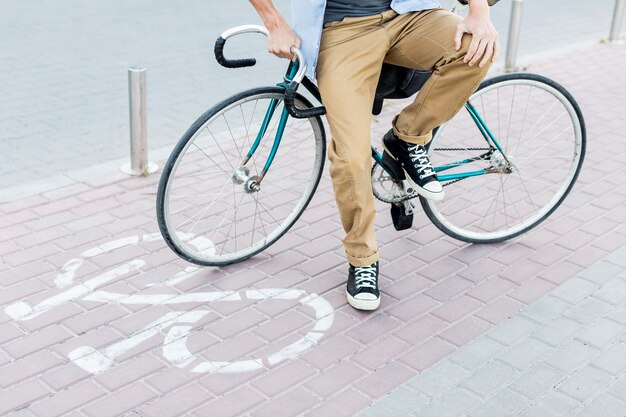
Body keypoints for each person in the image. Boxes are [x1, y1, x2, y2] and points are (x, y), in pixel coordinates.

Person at [249, 0, 500, 310]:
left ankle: (407, 137)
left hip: (409, 14)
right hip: (342, 31)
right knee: (352, 158)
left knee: (476, 46)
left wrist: (479, 12)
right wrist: (273, 22)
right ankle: (363, 258)